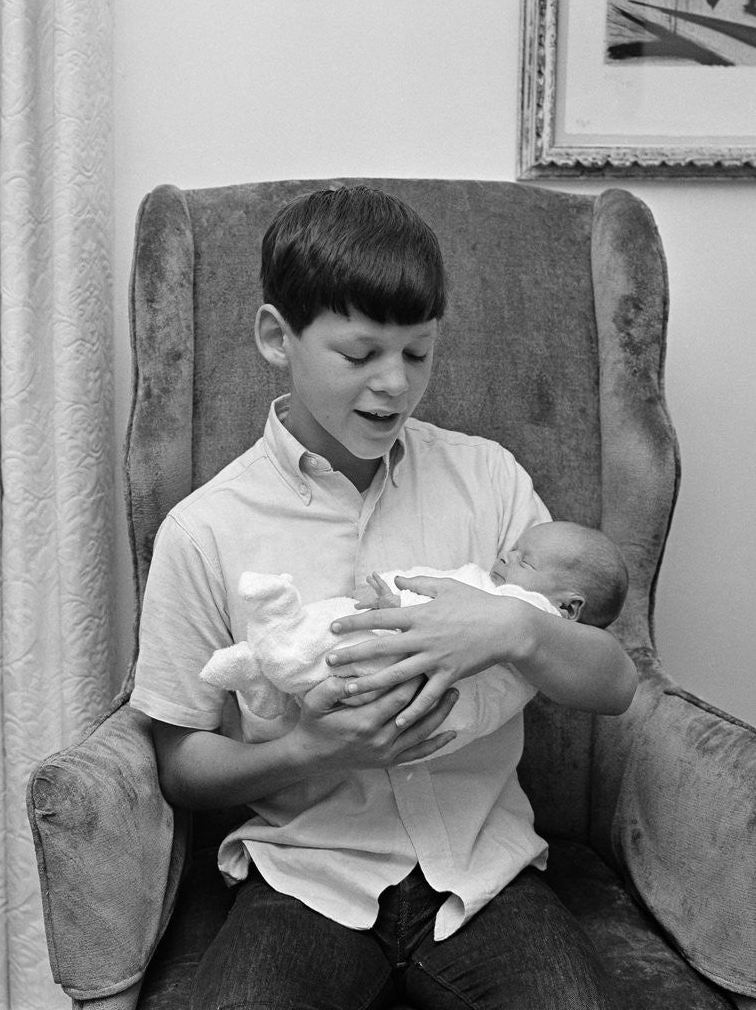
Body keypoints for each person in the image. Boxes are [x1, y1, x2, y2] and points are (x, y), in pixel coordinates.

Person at [130, 185, 637, 1009]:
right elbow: (181, 765)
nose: (394, 385)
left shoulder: (490, 480)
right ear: (277, 337)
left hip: (484, 872)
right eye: (361, 354)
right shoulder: (205, 529)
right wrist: (313, 749)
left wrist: (511, 629)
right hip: (305, 875)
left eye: (418, 353)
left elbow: (615, 684)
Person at [199, 521, 629, 756]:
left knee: (341, 658)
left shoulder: (533, 606)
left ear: (569, 607)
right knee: (341, 656)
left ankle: (272, 650)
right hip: (301, 854)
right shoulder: (203, 525)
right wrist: (304, 753)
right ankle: (270, 667)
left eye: (525, 561)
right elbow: (441, 607)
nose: (505, 555)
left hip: (485, 848)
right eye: (512, 548)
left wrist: (522, 628)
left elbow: (621, 687)